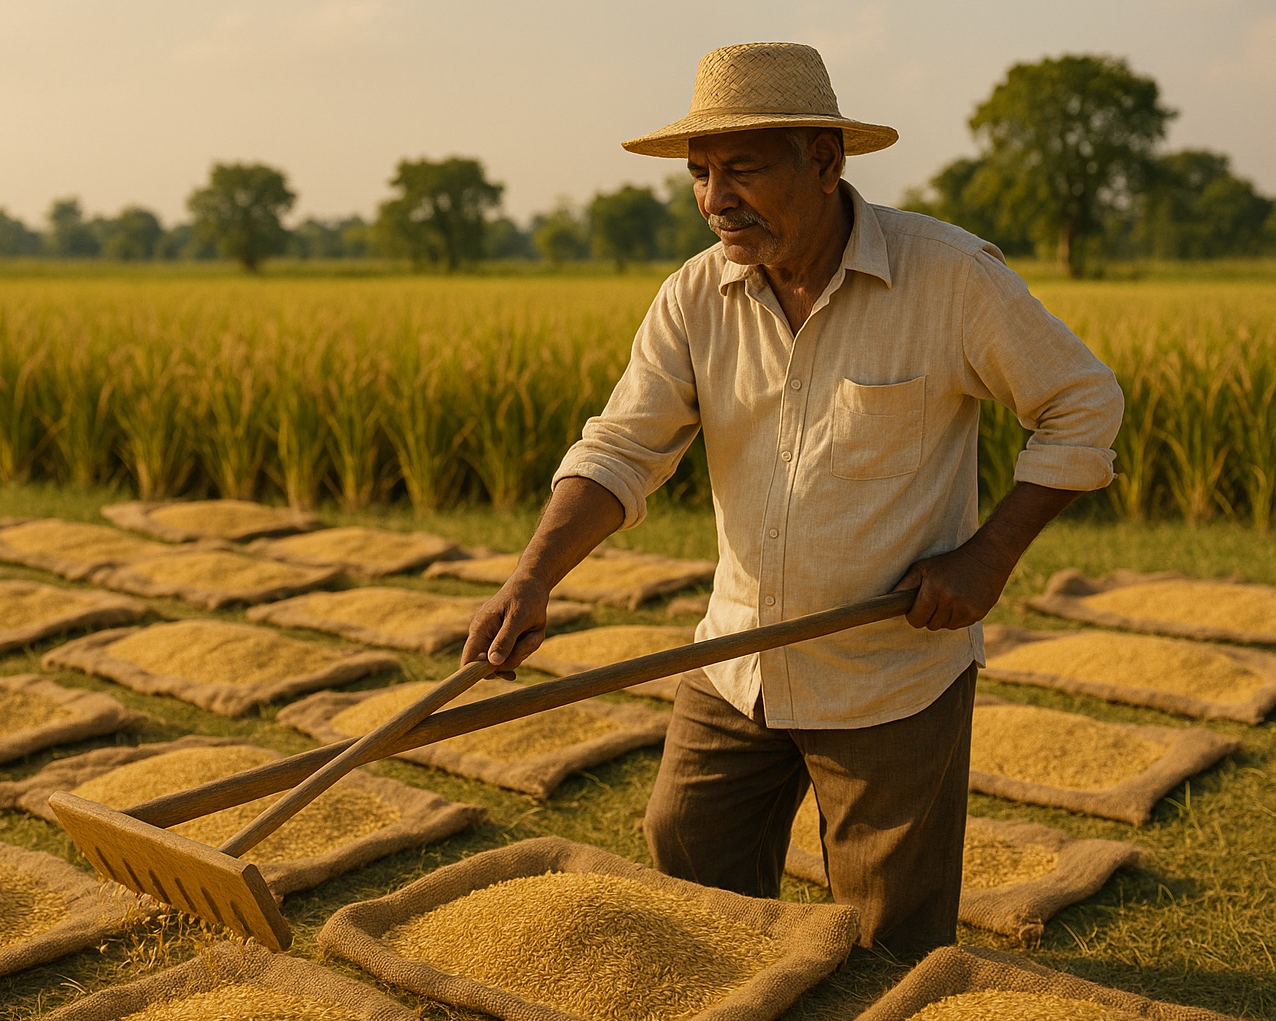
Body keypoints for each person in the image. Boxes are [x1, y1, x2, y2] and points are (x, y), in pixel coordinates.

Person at [460, 41, 1124, 958]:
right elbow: (621, 447)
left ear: (824, 160)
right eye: (699, 174)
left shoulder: (948, 276)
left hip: (891, 672)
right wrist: (532, 578)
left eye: (741, 168)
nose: (714, 198)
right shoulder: (696, 297)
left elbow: (1081, 404)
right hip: (737, 661)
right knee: (689, 864)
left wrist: (987, 556)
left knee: (891, 936)